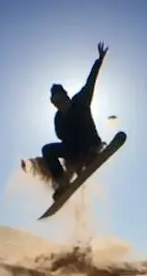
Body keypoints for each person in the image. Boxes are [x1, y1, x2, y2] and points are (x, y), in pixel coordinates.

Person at [41, 42, 109, 200]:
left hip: (90, 144)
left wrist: (99, 60)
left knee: (81, 124)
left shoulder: (81, 100)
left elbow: (90, 81)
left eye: (59, 101)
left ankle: (92, 153)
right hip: (76, 152)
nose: (58, 105)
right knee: (47, 149)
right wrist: (71, 163)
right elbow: (62, 139)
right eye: (55, 103)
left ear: (65, 96)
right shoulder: (58, 119)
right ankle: (62, 182)